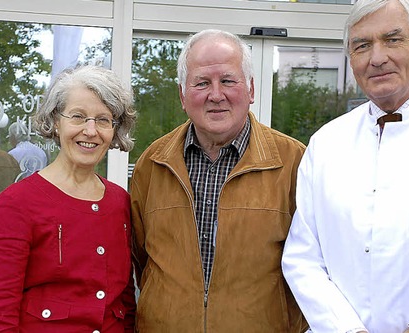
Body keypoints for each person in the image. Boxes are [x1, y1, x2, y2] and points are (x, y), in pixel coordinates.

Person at [281, 0, 409, 332]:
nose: (377, 58)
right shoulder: (326, 143)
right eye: (362, 46)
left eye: (392, 39)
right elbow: (302, 258)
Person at [130, 29, 307, 332]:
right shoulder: (153, 163)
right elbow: (140, 259)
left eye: (227, 80)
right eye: (201, 83)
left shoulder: (294, 162)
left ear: (250, 89)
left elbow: (312, 265)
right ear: (182, 95)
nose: (215, 94)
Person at [0, 65, 137, 332]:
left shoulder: (119, 201)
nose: (90, 130)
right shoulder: (17, 203)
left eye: (103, 119)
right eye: (78, 116)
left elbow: (125, 302)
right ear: (55, 120)